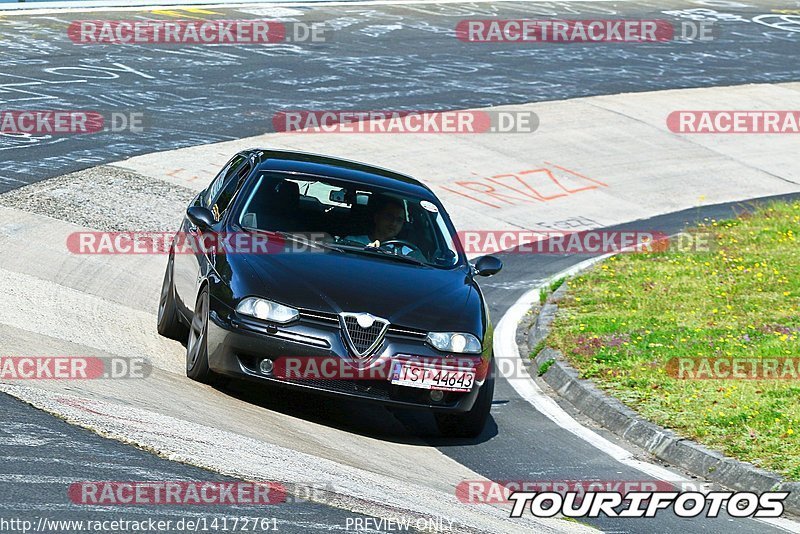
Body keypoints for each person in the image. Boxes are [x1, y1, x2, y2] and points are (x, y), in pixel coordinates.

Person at [343, 195, 425, 261]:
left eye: (399, 220)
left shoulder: (408, 252)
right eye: (389, 217)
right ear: (377, 218)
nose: (394, 223)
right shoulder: (351, 242)